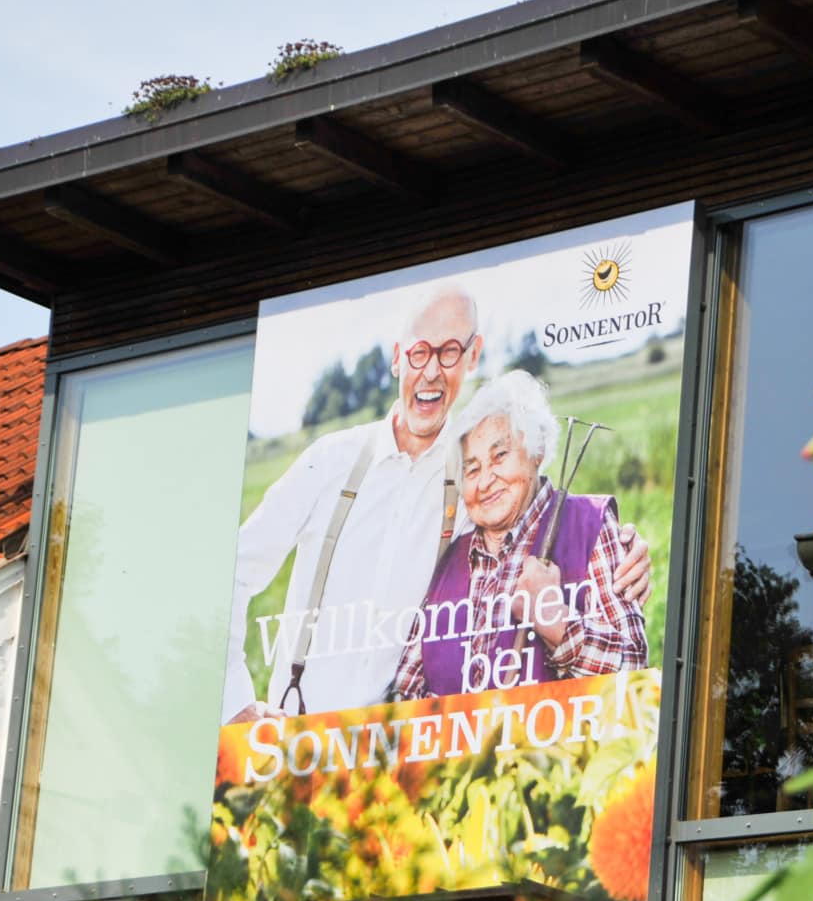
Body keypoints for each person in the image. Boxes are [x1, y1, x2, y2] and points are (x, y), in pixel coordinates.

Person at [225, 286, 651, 721]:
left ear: (471, 356)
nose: (430, 371)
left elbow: (538, 507)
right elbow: (233, 570)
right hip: (296, 738)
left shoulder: (470, 477)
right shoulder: (328, 462)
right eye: (418, 353)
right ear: (396, 357)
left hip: (393, 757)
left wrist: (618, 541)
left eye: (448, 352)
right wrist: (236, 704)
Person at [393, 370, 648, 699]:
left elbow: (634, 667)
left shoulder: (590, 526)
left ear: (536, 452)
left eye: (500, 456)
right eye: (471, 469)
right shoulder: (449, 557)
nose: (485, 481)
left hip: (556, 749)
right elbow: (404, 692)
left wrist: (556, 623)